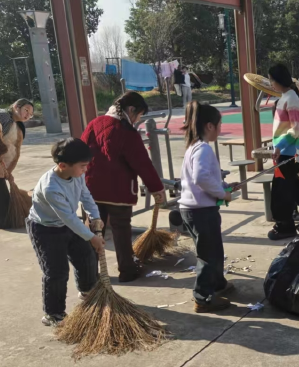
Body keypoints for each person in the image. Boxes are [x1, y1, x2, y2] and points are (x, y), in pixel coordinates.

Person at [81, 92, 166, 282]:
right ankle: (127, 271)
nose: (138, 120)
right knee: (121, 231)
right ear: (131, 109)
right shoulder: (127, 131)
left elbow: (80, 151)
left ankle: (89, 274)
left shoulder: (93, 124)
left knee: (92, 231)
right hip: (118, 191)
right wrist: (157, 188)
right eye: (139, 115)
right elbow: (142, 164)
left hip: (91, 190)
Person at [26, 138, 105, 327]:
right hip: (45, 230)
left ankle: (87, 291)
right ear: (63, 165)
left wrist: (95, 216)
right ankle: (53, 314)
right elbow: (68, 218)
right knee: (57, 271)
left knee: (86, 257)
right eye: (83, 166)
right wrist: (92, 237)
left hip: (68, 224)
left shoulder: (76, 175)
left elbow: (85, 195)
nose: (85, 169)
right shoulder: (51, 188)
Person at [179, 101, 239, 312]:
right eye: (219, 125)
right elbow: (201, 177)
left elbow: (205, 178)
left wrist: (224, 186)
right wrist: (223, 194)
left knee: (213, 249)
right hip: (201, 211)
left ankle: (217, 283)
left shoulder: (194, 146)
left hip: (194, 210)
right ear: (209, 126)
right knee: (208, 254)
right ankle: (203, 297)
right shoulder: (203, 148)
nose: (220, 129)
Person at [268, 64, 299, 240]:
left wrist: (279, 146)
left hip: (288, 152)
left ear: (279, 80)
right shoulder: (285, 97)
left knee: (282, 190)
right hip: (283, 151)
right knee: (293, 188)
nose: (271, 83)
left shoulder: (292, 99)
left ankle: (285, 225)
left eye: (272, 80)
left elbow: (296, 129)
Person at [0, 98, 34, 229]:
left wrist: (7, 170)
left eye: (31, 114)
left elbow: (14, 150)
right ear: (16, 107)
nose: (28, 115)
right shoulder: (2, 116)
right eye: (26, 110)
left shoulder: (17, 126)